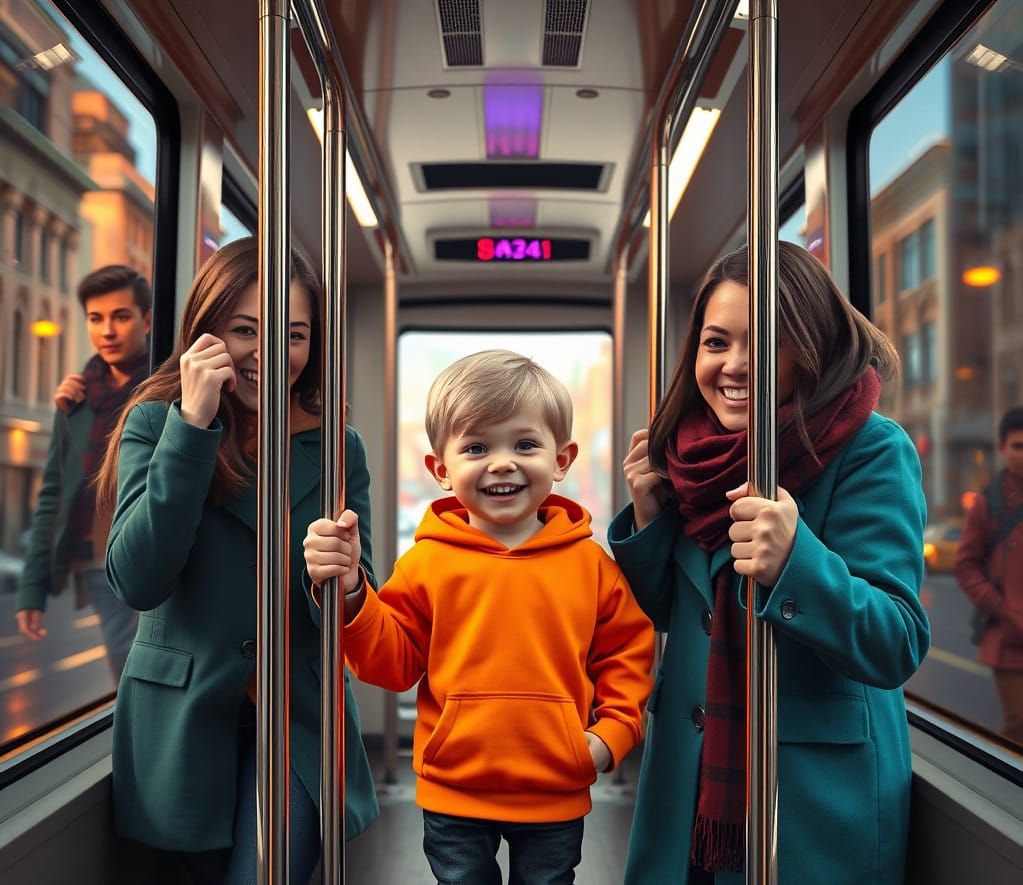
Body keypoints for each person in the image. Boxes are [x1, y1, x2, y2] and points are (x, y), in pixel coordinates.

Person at [610, 242, 930, 885]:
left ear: (809, 345)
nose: (734, 366)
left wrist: (796, 562)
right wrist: (648, 522)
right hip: (690, 778)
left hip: (810, 788)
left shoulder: (872, 447)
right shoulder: (688, 453)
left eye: (761, 342)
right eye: (715, 342)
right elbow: (681, 615)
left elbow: (897, 641)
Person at [304, 349, 654, 885]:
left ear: (562, 460)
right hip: (455, 788)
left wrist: (610, 737)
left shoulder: (591, 566)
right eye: (476, 447)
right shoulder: (426, 563)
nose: (502, 462)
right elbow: (393, 664)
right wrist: (353, 592)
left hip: (556, 786)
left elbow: (627, 655)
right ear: (441, 470)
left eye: (526, 444)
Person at [95, 238, 378, 884]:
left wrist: (346, 577)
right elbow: (139, 578)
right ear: (206, 332)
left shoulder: (338, 443)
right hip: (184, 717)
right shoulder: (154, 423)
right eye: (245, 330)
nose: (271, 354)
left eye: (294, 335)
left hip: (298, 718)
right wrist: (192, 426)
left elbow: (359, 606)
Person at [17, 265, 152, 680]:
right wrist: (32, 589)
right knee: (126, 673)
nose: (107, 330)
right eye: (96, 318)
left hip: (164, 553)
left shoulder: (171, 385)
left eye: (121, 316)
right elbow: (52, 496)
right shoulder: (76, 401)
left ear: (147, 320)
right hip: (100, 563)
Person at [954, 407, 1023, 744]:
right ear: (1002, 448)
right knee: (1018, 725)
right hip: (1010, 637)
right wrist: (1003, 609)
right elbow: (966, 566)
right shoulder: (989, 504)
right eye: (1018, 446)